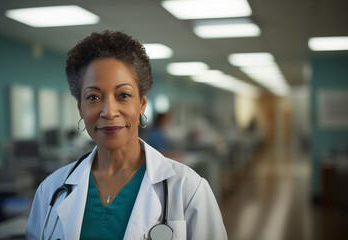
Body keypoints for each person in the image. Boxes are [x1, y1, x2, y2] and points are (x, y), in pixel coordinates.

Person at [26, 30, 227, 240]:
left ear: (141, 104)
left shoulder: (188, 189)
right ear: (80, 109)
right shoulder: (50, 190)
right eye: (93, 97)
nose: (109, 111)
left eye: (123, 95)